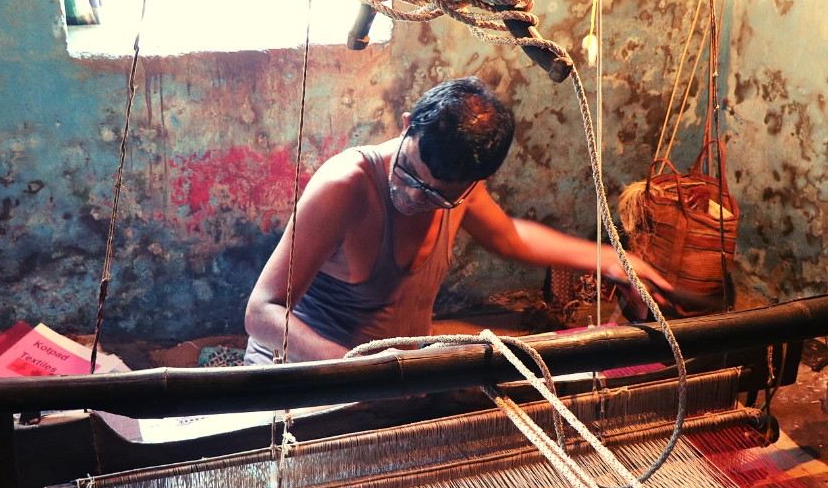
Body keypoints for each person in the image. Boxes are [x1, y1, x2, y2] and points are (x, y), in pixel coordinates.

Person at [244, 77, 669, 365]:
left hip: (397, 380)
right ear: (407, 126)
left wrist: (611, 259)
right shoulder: (345, 186)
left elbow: (508, 237)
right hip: (306, 372)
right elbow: (261, 312)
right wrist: (354, 369)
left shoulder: (460, 187)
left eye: (435, 195)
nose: (413, 197)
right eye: (409, 174)